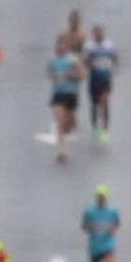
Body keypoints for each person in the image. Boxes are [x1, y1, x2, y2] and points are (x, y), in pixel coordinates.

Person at [49, 34, 86, 164]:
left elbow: (83, 75)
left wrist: (73, 76)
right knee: (59, 121)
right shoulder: (53, 61)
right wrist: (55, 77)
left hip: (71, 94)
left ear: (67, 47)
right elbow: (50, 74)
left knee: (67, 124)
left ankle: (72, 122)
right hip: (58, 94)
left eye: (63, 45)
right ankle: (62, 150)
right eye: (59, 45)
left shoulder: (73, 60)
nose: (60, 48)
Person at [82, 187, 120, 262]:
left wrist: (111, 230)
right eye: (99, 197)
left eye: (103, 197)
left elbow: (117, 224)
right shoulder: (90, 212)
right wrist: (91, 228)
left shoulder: (113, 212)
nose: (101, 199)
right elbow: (84, 226)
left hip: (108, 245)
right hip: (95, 246)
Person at [83, 25, 118, 141]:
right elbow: (85, 61)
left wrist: (114, 68)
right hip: (94, 78)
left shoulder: (109, 45)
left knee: (105, 102)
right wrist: (90, 64)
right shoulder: (89, 47)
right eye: (96, 34)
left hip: (106, 78)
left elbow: (115, 57)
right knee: (95, 104)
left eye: (101, 33)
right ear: (93, 35)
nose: (99, 36)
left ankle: (105, 129)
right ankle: (94, 126)